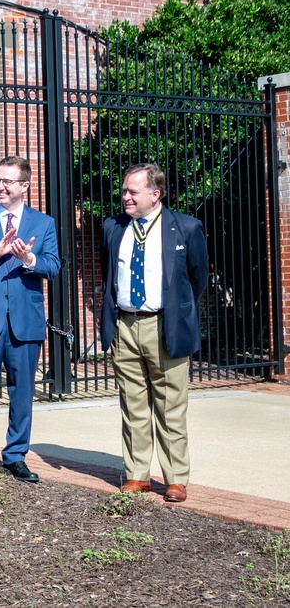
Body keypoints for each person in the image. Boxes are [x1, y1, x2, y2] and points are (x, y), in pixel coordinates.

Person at [100, 163, 207, 503]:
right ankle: (137, 475)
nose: (125, 197)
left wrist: (177, 311)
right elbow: (109, 275)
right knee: (132, 405)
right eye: (124, 190)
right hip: (126, 326)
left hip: (166, 326)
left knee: (170, 406)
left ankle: (175, 477)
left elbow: (196, 279)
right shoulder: (113, 227)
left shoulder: (186, 228)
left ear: (155, 194)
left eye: (133, 191)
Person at [0, 156, 61, 486]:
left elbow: (53, 266)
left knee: (22, 391)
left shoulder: (43, 223)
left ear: (25, 186)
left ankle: (15, 455)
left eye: (7, 181)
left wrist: (29, 258)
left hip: (25, 320)